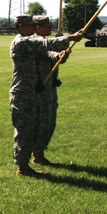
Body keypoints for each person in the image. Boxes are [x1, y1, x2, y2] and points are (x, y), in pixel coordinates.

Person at [9, 14, 81, 177]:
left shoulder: (31, 43)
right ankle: (22, 166)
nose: (34, 28)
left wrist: (59, 55)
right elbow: (45, 43)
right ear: (20, 26)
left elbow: (47, 54)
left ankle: (34, 157)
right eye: (30, 25)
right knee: (25, 129)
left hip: (35, 92)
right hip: (23, 93)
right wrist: (71, 37)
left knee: (37, 127)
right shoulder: (21, 41)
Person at [33, 15, 64, 165]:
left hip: (50, 86)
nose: (50, 28)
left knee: (50, 122)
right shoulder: (34, 41)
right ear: (37, 27)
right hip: (40, 88)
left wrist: (62, 52)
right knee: (41, 122)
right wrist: (61, 43)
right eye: (46, 26)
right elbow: (46, 52)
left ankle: (40, 152)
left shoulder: (47, 42)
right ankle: (36, 154)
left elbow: (57, 58)